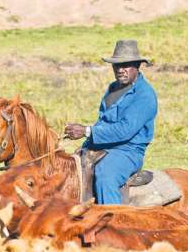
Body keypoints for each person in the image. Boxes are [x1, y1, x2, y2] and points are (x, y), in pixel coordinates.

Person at [64, 39, 158, 205]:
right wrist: (87, 143)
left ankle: (112, 220)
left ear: (137, 66)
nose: (121, 70)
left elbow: (125, 130)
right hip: (103, 145)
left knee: (105, 174)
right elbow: (104, 122)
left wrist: (87, 131)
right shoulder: (113, 89)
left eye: (126, 65)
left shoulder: (145, 95)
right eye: (117, 66)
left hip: (127, 151)